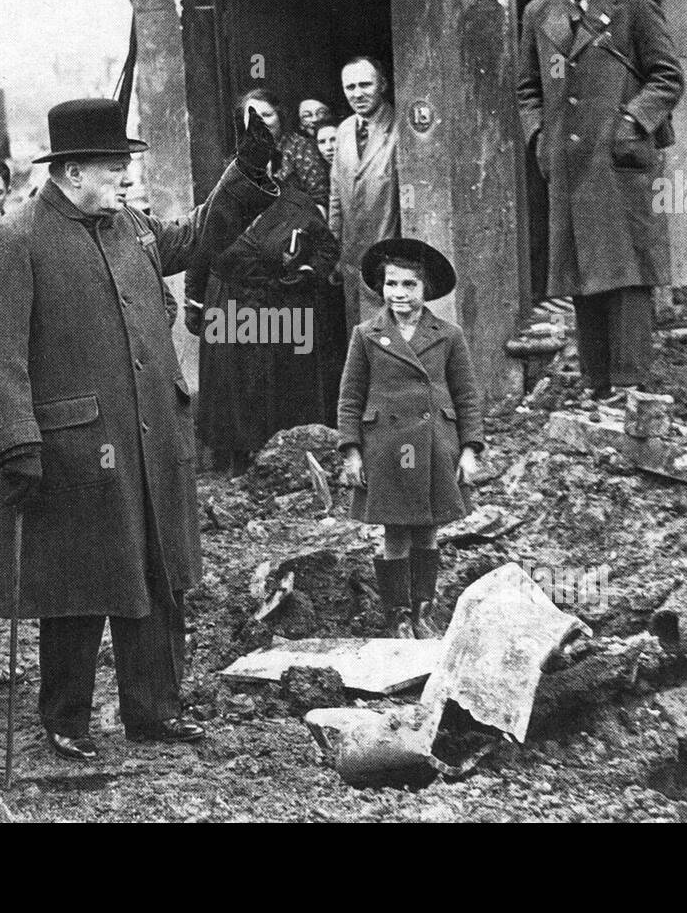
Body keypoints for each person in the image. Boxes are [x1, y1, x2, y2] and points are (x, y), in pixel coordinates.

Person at [0, 98, 276, 762]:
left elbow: (194, 238)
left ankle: (154, 711)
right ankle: (65, 720)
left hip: (151, 435)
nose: (126, 177)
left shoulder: (129, 224)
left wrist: (245, 173)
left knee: (159, 575)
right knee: (78, 587)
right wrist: (14, 440)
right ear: (71, 172)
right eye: (113, 166)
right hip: (73, 449)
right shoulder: (15, 239)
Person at [517, 0, 684, 403]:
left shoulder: (632, 2)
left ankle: (630, 383)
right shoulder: (538, 13)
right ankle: (596, 385)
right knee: (581, 271)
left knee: (628, 269)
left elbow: (667, 76)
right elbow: (528, 87)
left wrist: (632, 123)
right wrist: (540, 137)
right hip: (568, 161)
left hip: (620, 160)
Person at [337, 239, 484, 640]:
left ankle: (424, 611)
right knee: (395, 530)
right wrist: (351, 451)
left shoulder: (448, 335)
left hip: (435, 442)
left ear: (425, 289)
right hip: (386, 445)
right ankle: (397, 616)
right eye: (392, 284)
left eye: (409, 285)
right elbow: (350, 396)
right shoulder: (367, 335)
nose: (399, 294)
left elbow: (467, 394)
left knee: (428, 527)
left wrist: (470, 449)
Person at [188, 93, 340, 475]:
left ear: (275, 168)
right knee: (235, 386)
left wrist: (307, 272)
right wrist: (195, 300)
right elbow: (199, 249)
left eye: (263, 168)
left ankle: (283, 462)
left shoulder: (296, 202)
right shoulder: (220, 203)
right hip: (230, 303)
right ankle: (236, 463)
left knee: (278, 384)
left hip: (279, 304)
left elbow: (326, 247)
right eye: (245, 168)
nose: (255, 176)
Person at [328, 56, 400, 332]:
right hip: (351, 260)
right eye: (350, 87)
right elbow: (336, 195)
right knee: (357, 339)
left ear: (382, 85)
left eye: (365, 85)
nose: (357, 94)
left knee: (388, 338)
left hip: (387, 257)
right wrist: (333, 249)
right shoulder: (344, 130)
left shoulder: (397, 128)